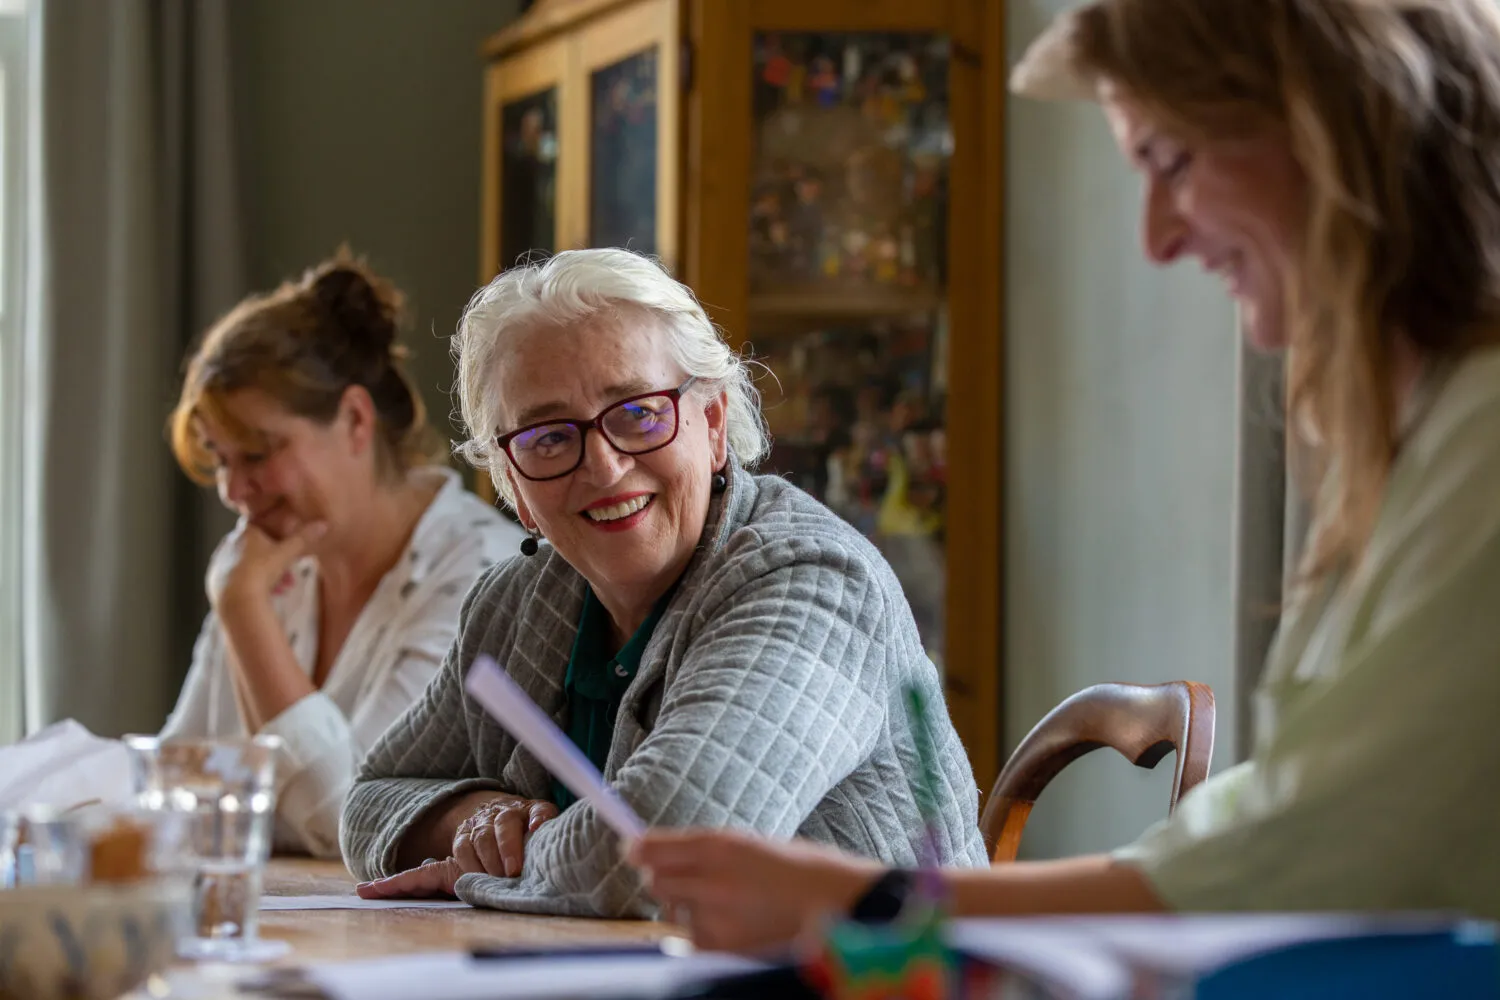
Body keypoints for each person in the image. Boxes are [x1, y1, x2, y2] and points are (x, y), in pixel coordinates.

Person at [630, 0, 1500, 953]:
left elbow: (1326, 855)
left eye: (1173, 163)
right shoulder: (1423, 429)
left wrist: (873, 905)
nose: (1157, 238)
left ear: (1337, 130)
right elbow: (1291, 811)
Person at [341, 247, 989, 917]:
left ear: (711, 425)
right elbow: (369, 801)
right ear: (513, 484)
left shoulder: (814, 582)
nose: (605, 467)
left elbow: (664, 848)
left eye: (639, 413)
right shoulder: (514, 604)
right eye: (548, 436)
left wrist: (479, 873)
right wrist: (475, 819)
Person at [162, 252, 525, 858]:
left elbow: (350, 816)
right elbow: (174, 782)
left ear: (355, 419)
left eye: (256, 454)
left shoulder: (481, 572)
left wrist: (245, 612)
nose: (232, 491)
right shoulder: (267, 561)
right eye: (222, 460)